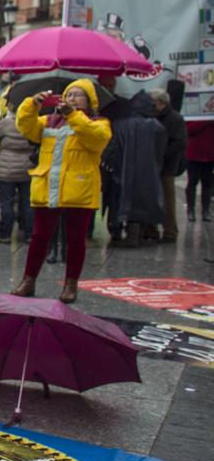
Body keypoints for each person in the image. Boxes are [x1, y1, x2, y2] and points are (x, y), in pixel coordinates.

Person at [11, 80, 111, 303]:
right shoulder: (48, 121)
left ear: (89, 101)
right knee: (39, 237)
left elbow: (96, 139)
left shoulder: (99, 122)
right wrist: (32, 104)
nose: (73, 98)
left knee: (76, 239)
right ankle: (28, 281)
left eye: (78, 95)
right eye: (69, 94)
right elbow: (25, 126)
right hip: (49, 187)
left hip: (79, 189)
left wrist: (73, 115)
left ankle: (71, 285)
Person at [103, 91, 166, 248]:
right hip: (148, 173)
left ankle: (116, 232)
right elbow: (161, 151)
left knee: (117, 202)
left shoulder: (119, 125)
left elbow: (112, 149)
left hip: (121, 172)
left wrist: (110, 166)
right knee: (143, 203)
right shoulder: (157, 127)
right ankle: (137, 235)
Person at [0, 100, 34, 243]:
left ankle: (5, 234)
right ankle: (29, 234)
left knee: (7, 202)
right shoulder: (33, 121)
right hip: (28, 166)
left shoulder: (6, 123)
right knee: (27, 203)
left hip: (7, 167)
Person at [150, 88, 187, 243]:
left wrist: (161, 155)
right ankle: (150, 229)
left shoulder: (175, 119)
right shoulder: (153, 116)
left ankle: (170, 231)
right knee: (151, 198)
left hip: (167, 166)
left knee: (167, 200)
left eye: (153, 103)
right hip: (152, 165)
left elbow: (180, 143)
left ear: (161, 103)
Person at [186, 119, 214, 222]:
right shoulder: (194, 115)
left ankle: (206, 211)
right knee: (192, 183)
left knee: (207, 184)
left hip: (210, 155)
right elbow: (189, 129)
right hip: (194, 155)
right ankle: (190, 210)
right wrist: (204, 121)